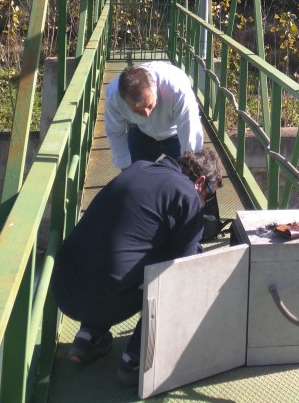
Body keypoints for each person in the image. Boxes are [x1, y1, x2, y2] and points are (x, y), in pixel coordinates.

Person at [51, 148, 222, 386]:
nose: (205, 202)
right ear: (200, 182)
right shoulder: (187, 195)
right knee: (177, 271)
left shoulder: (139, 167)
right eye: (209, 194)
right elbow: (185, 268)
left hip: (64, 288)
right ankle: (136, 359)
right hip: (107, 296)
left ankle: (88, 337)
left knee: (124, 248)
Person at [104, 60, 203, 169]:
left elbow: (190, 126)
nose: (146, 114)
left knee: (187, 171)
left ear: (155, 88)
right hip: (141, 132)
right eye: (138, 111)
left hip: (176, 134)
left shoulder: (177, 88)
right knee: (132, 174)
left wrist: (191, 166)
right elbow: (115, 131)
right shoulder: (113, 96)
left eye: (149, 105)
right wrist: (125, 167)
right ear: (124, 100)